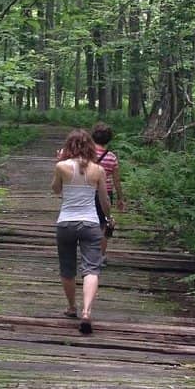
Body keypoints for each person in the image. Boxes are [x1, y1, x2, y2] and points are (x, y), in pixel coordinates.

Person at [52, 128, 113, 335]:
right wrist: (108, 217)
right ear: (89, 146)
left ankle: (72, 308)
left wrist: (58, 162)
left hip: (66, 223)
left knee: (67, 268)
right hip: (90, 224)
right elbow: (104, 200)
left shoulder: (61, 167)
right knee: (91, 269)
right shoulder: (98, 170)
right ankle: (87, 311)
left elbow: (56, 190)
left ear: (69, 146)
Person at [91, 122, 125, 253]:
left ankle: (87, 252)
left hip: (87, 191)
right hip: (105, 193)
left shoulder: (86, 154)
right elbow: (116, 180)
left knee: (87, 222)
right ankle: (100, 255)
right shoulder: (111, 157)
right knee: (103, 223)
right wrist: (120, 198)